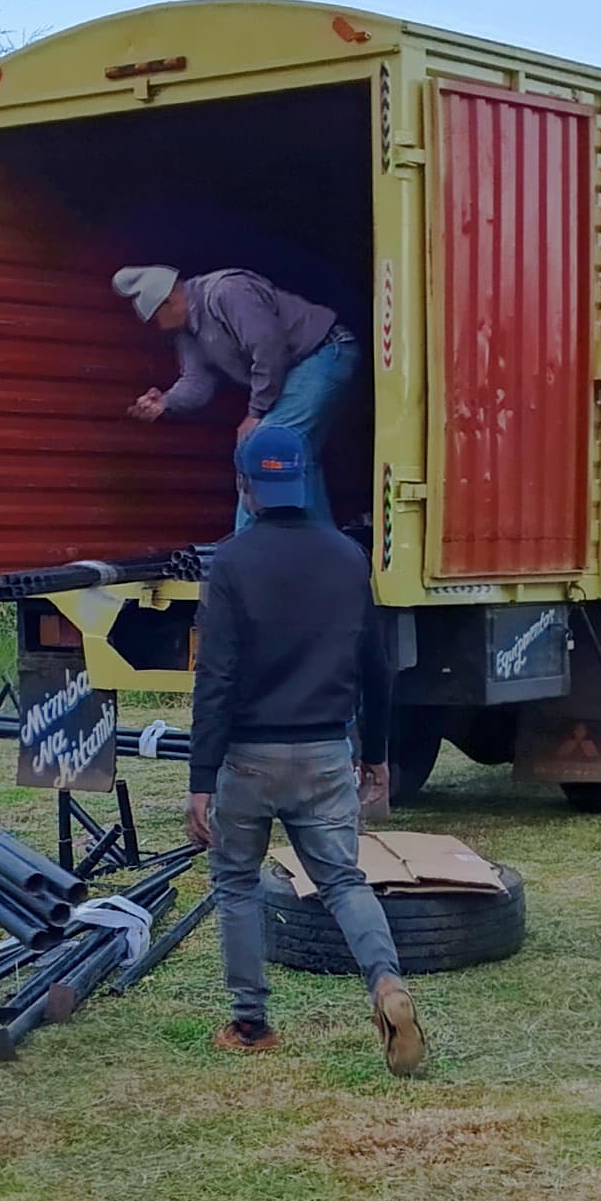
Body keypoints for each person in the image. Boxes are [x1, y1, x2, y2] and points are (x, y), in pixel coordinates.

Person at [188, 421, 427, 1076]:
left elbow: (217, 677)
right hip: (325, 752)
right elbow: (376, 667)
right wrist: (375, 751)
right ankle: (384, 983)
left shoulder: (233, 561)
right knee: (344, 882)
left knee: (236, 883)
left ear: (246, 485)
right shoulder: (348, 558)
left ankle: (251, 1025)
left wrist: (201, 777)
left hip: (249, 756)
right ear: (302, 481)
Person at [114, 261, 364, 527]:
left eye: (156, 319)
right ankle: (325, 554)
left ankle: (242, 553)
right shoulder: (187, 331)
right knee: (298, 457)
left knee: (261, 446)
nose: (160, 328)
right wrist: (166, 401)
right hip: (294, 371)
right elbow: (197, 383)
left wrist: (255, 413)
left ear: (169, 301)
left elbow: (269, 348)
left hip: (324, 353)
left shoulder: (226, 291)